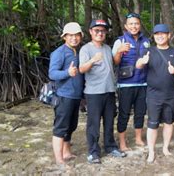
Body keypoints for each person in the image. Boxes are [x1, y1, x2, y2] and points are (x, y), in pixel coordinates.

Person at [79, 19, 126, 164]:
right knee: (93, 123)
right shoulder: (86, 49)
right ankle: (93, 152)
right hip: (94, 92)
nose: (100, 33)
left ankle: (110, 146)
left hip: (109, 90)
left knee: (109, 121)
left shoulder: (106, 48)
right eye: (97, 31)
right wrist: (92, 60)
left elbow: (113, 65)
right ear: (91, 32)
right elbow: (81, 69)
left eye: (103, 31)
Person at [135, 24, 174, 163]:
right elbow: (138, 64)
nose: (160, 36)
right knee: (152, 123)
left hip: (171, 93)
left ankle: (165, 148)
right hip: (153, 94)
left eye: (163, 34)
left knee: (169, 122)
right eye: (157, 34)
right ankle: (151, 151)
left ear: (169, 35)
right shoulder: (148, 51)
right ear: (154, 36)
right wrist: (142, 62)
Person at [112, 12, 150, 151]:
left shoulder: (146, 41)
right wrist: (120, 51)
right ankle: (122, 142)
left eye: (136, 24)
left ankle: (138, 138)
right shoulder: (120, 41)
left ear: (140, 25)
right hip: (126, 83)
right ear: (126, 26)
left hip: (143, 83)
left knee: (140, 112)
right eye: (131, 24)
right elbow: (115, 62)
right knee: (124, 113)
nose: (134, 26)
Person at [48, 22, 85, 168]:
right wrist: (67, 73)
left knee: (71, 125)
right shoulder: (59, 52)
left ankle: (66, 152)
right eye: (70, 35)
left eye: (77, 35)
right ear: (64, 37)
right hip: (63, 95)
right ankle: (59, 159)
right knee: (61, 127)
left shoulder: (77, 51)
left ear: (81, 36)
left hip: (76, 96)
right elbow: (52, 73)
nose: (74, 38)